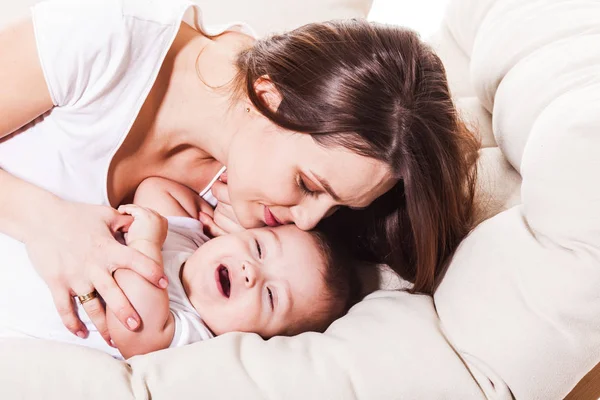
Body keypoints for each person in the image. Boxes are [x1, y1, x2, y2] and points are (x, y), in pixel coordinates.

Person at [0, 0, 479, 346]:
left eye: (334, 205)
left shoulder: (240, 218)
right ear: (269, 99)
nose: (309, 221)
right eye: (308, 186)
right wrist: (47, 223)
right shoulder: (106, 37)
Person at [0, 176, 356, 359]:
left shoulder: (194, 333)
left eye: (271, 296)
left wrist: (146, 243)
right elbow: (154, 189)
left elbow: (133, 327)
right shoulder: (192, 242)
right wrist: (210, 218)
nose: (251, 270)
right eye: (260, 247)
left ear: (257, 338)